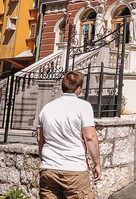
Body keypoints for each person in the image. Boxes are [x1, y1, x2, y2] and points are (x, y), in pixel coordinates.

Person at [36, 71, 101, 199]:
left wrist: (45, 159)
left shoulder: (46, 108)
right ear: (79, 88)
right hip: (74, 168)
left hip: (49, 168)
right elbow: (90, 137)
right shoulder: (84, 107)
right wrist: (96, 163)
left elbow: (39, 138)